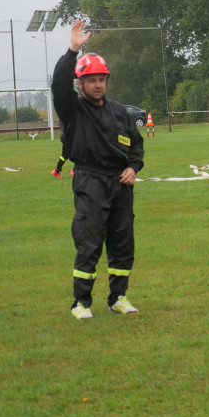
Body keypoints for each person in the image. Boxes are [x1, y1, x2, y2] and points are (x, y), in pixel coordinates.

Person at [51, 19, 144, 320]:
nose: (98, 84)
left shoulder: (120, 112)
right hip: (90, 180)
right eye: (91, 79)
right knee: (89, 242)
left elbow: (137, 145)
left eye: (101, 78)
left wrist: (133, 167)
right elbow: (58, 86)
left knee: (122, 242)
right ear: (80, 83)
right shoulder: (73, 110)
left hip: (121, 184)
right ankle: (81, 303)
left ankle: (118, 297)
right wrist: (72, 51)